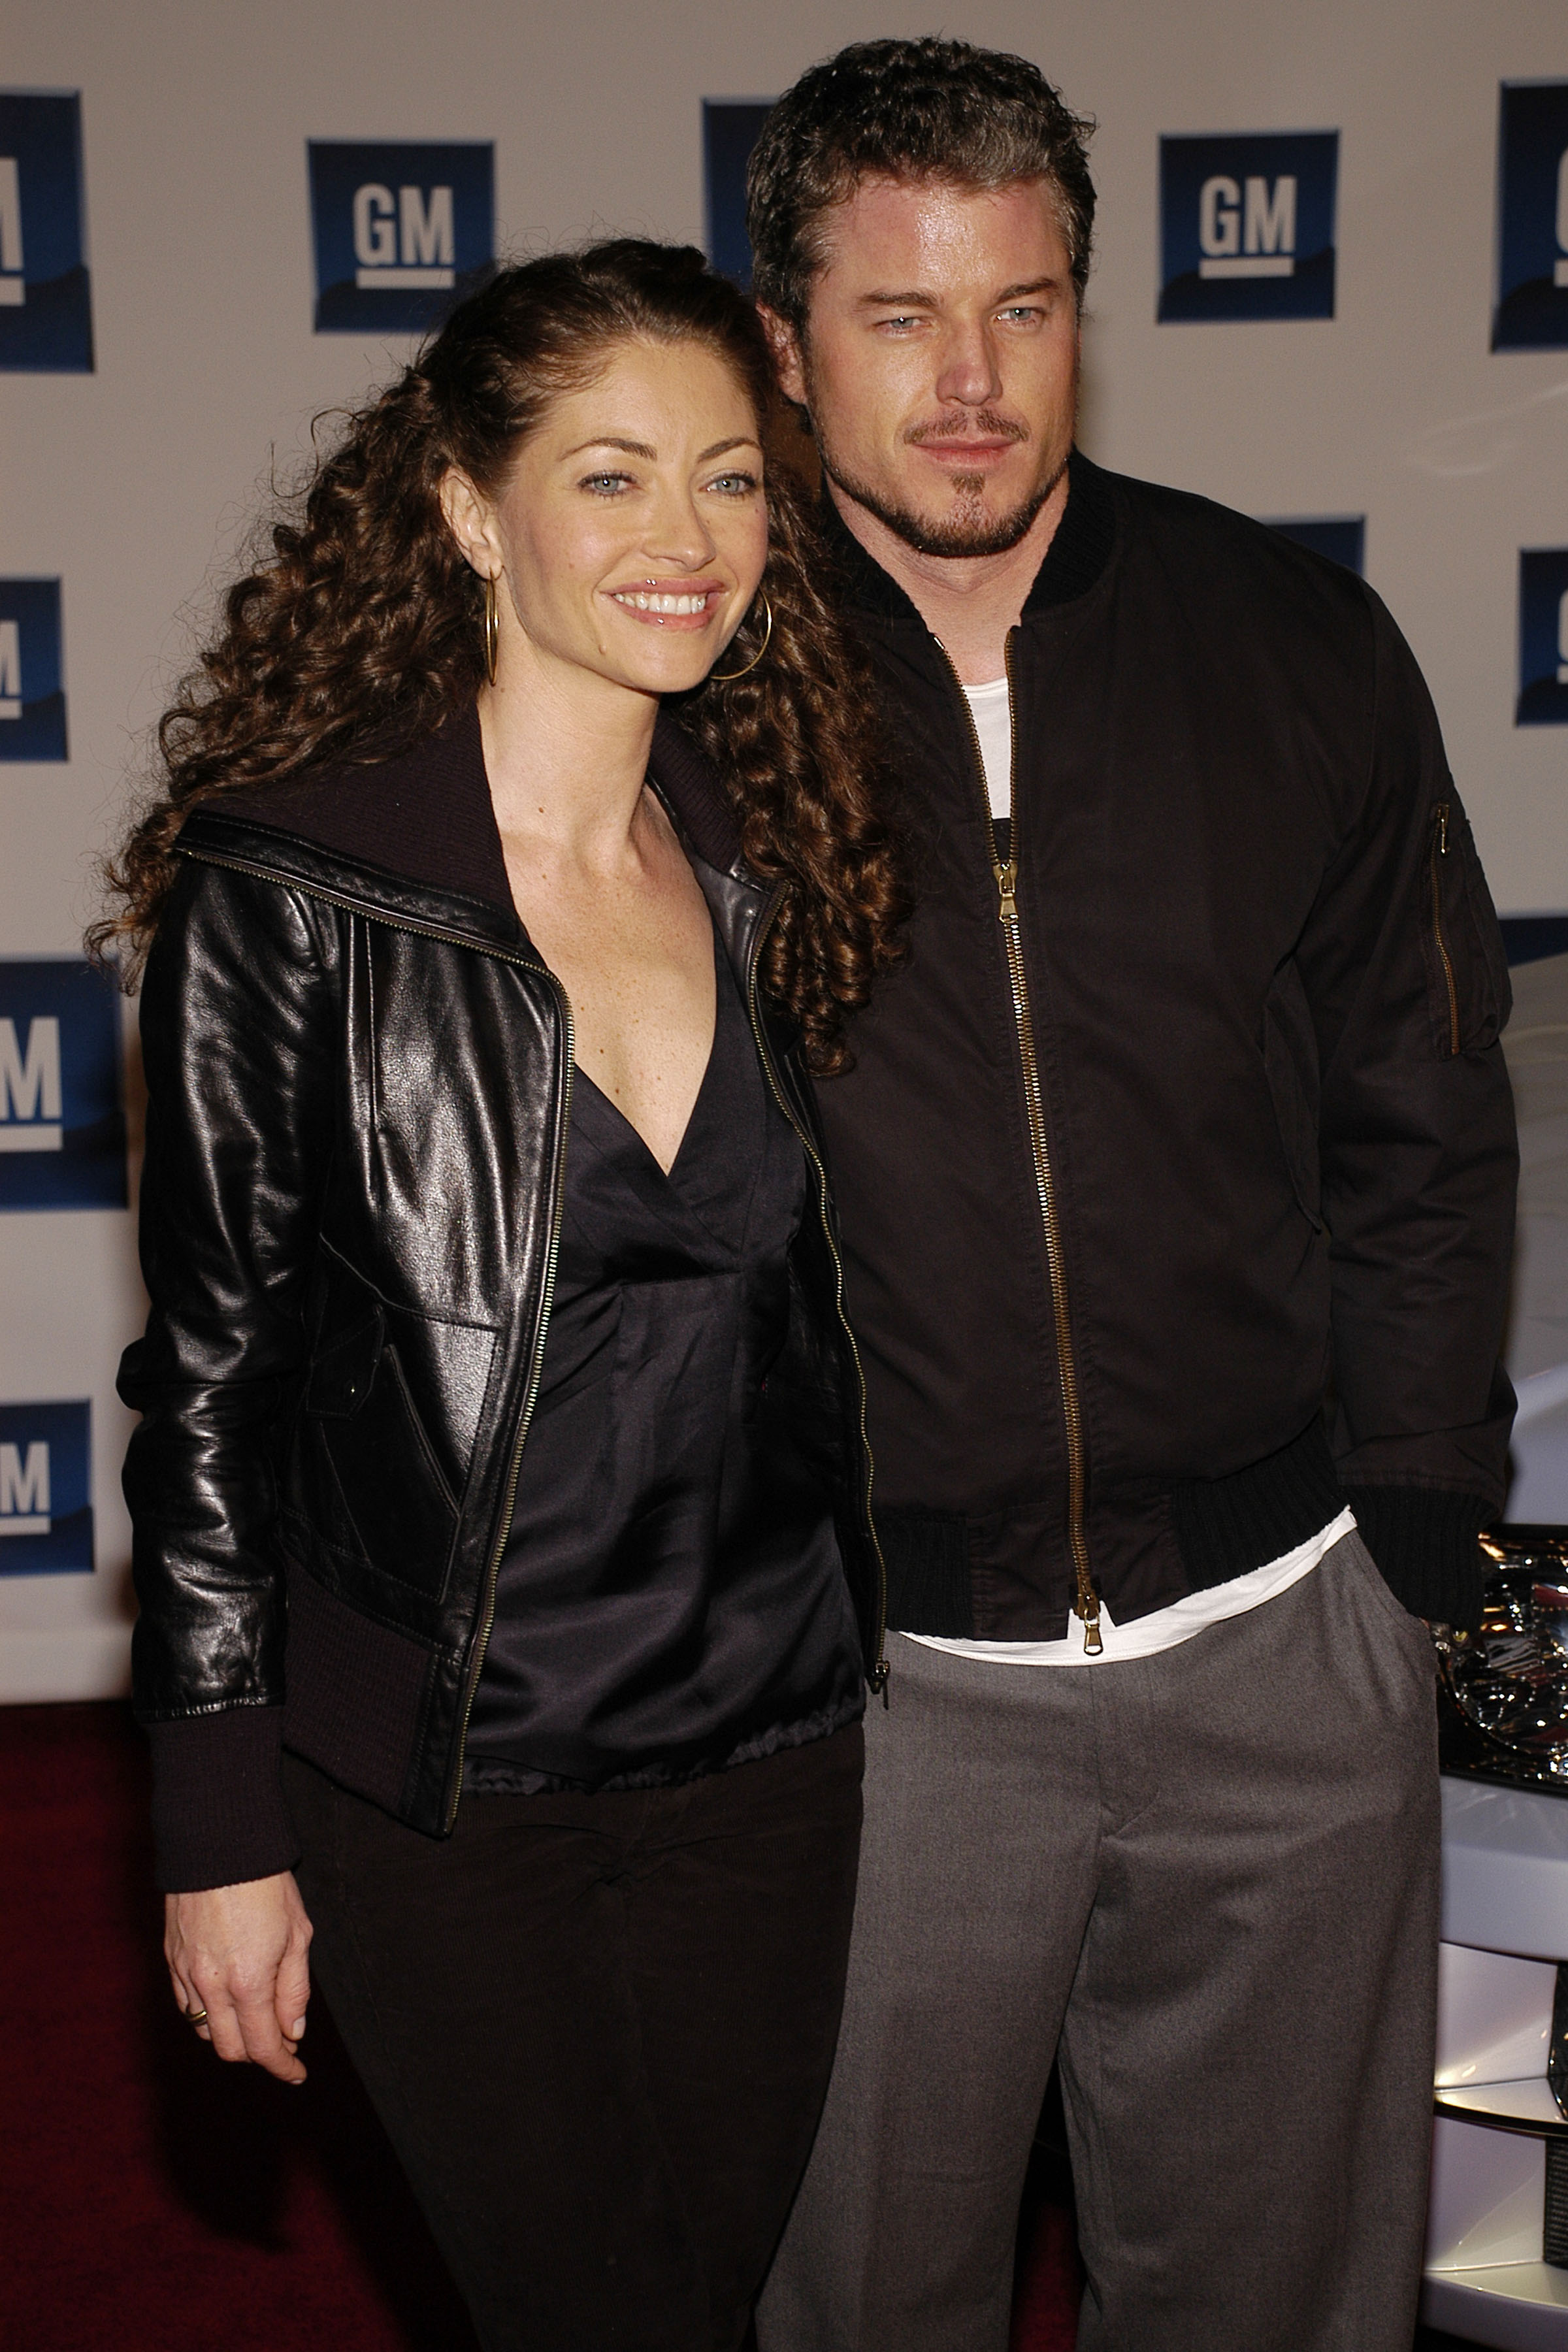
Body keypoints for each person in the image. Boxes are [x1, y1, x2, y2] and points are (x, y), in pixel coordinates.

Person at [743, 39, 1518, 2352]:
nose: (973, 386)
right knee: (848, 2312)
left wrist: (1409, 1546)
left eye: (1026, 308)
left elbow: (1420, 1109)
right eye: (900, 318)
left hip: (1284, 1652)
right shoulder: (691, 693)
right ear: (784, 344)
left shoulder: (1290, 644)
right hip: (873, 1701)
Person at [101, 240, 907, 2352]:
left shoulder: (777, 856)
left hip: (772, 1756)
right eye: (610, 476)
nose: (685, 539)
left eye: (730, 480)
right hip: (456, 1778)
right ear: (471, 511)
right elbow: (211, 1391)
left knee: (708, 2302)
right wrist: (215, 1821)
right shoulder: (296, 887)